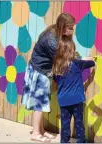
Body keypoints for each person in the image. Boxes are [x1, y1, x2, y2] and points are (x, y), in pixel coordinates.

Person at [21, 13, 75, 142]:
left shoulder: (56, 32)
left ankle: (40, 130)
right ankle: (35, 133)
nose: (73, 30)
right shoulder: (51, 40)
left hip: (42, 70)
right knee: (40, 104)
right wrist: (79, 60)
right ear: (63, 27)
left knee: (42, 102)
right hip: (39, 71)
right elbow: (61, 59)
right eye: (70, 28)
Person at [52, 40, 96, 143]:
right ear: (72, 52)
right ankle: (81, 141)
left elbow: (56, 81)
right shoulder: (77, 64)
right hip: (76, 100)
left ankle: (64, 141)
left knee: (65, 124)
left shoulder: (57, 68)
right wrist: (91, 59)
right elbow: (91, 63)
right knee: (79, 123)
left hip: (63, 101)